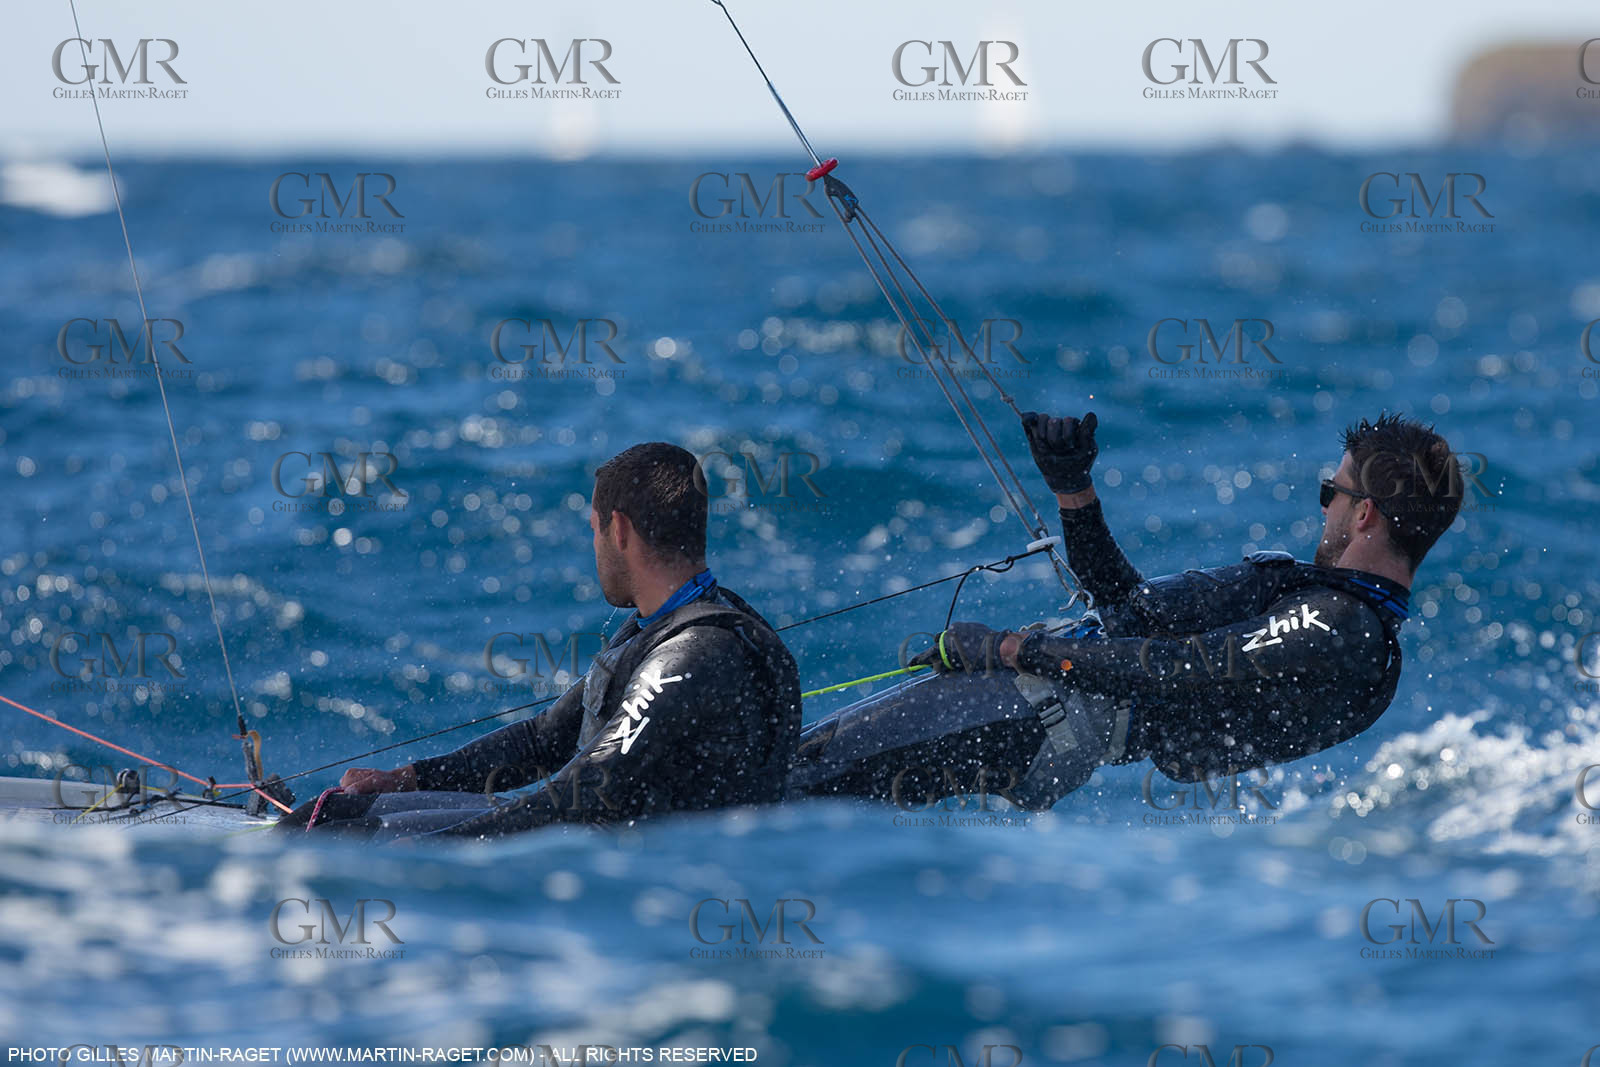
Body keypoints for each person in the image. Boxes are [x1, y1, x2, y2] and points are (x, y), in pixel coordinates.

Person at [790, 411, 1460, 809]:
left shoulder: (1344, 628)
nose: (1323, 505)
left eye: (1331, 491)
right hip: (1045, 703)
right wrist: (1075, 492)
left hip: (1048, 716)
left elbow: (1186, 668)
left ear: (1365, 512)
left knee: (800, 775)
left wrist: (1011, 651)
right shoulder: (1318, 599)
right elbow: (1130, 612)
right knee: (803, 771)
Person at [280, 442, 801, 838]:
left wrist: (429, 852)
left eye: (594, 530)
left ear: (618, 530)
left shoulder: (693, 651)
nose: (594, 546)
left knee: (360, 834)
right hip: (605, 842)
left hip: (640, 878)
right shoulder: (666, 624)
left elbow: (585, 793)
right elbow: (542, 741)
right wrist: (405, 779)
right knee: (343, 812)